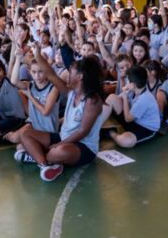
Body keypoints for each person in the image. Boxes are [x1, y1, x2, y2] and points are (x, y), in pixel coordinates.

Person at [19, 52, 108, 182]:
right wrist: (37, 52)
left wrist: (60, 144)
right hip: (64, 138)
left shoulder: (92, 100)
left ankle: (38, 156)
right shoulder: (71, 92)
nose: (67, 75)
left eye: (71, 72)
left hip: (84, 147)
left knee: (59, 151)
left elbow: (83, 131)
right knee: (25, 134)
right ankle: (45, 165)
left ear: (80, 76)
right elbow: (50, 74)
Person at [103, 65, 160, 148]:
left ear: (133, 84)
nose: (127, 83)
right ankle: (96, 127)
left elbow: (127, 119)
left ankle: (111, 133)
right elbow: (117, 99)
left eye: (128, 81)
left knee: (125, 141)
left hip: (146, 129)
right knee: (112, 97)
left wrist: (125, 98)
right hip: (134, 120)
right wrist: (124, 93)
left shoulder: (145, 99)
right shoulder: (133, 90)